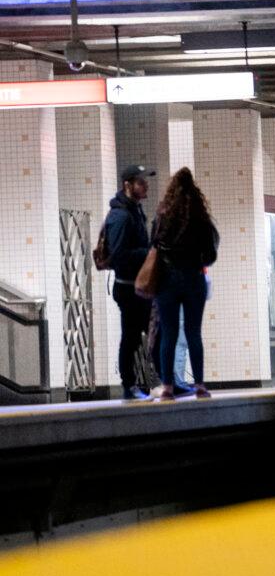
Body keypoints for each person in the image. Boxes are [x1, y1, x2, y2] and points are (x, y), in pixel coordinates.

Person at [151, 168, 219, 401]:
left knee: (168, 334)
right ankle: (199, 385)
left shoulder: (162, 216)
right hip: (193, 279)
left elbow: (153, 246)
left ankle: (168, 387)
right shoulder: (201, 218)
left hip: (167, 281)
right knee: (193, 333)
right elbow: (210, 254)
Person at [105, 164, 156, 401]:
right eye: (141, 182)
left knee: (144, 333)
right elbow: (118, 255)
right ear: (127, 185)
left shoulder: (135, 210)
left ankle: (155, 382)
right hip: (127, 286)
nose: (146, 186)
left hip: (138, 285)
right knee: (132, 336)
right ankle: (129, 384)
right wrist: (148, 253)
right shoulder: (121, 216)